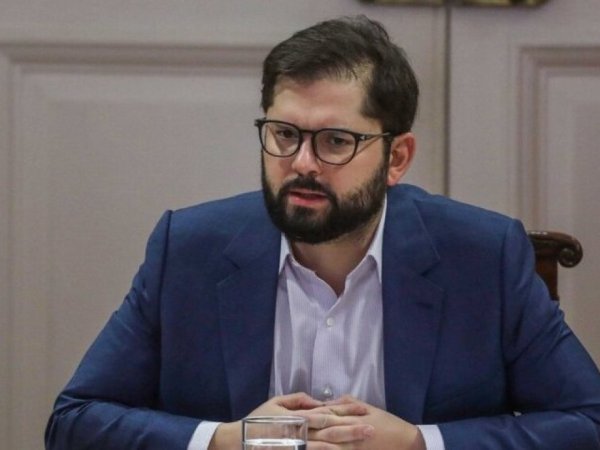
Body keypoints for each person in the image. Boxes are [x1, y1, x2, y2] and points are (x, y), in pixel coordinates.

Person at [45, 15, 600, 450]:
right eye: (284, 134)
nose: (303, 163)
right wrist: (226, 441)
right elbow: (75, 421)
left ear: (396, 158)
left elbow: (587, 422)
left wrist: (419, 443)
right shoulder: (188, 248)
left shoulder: (482, 256)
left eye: (336, 141)